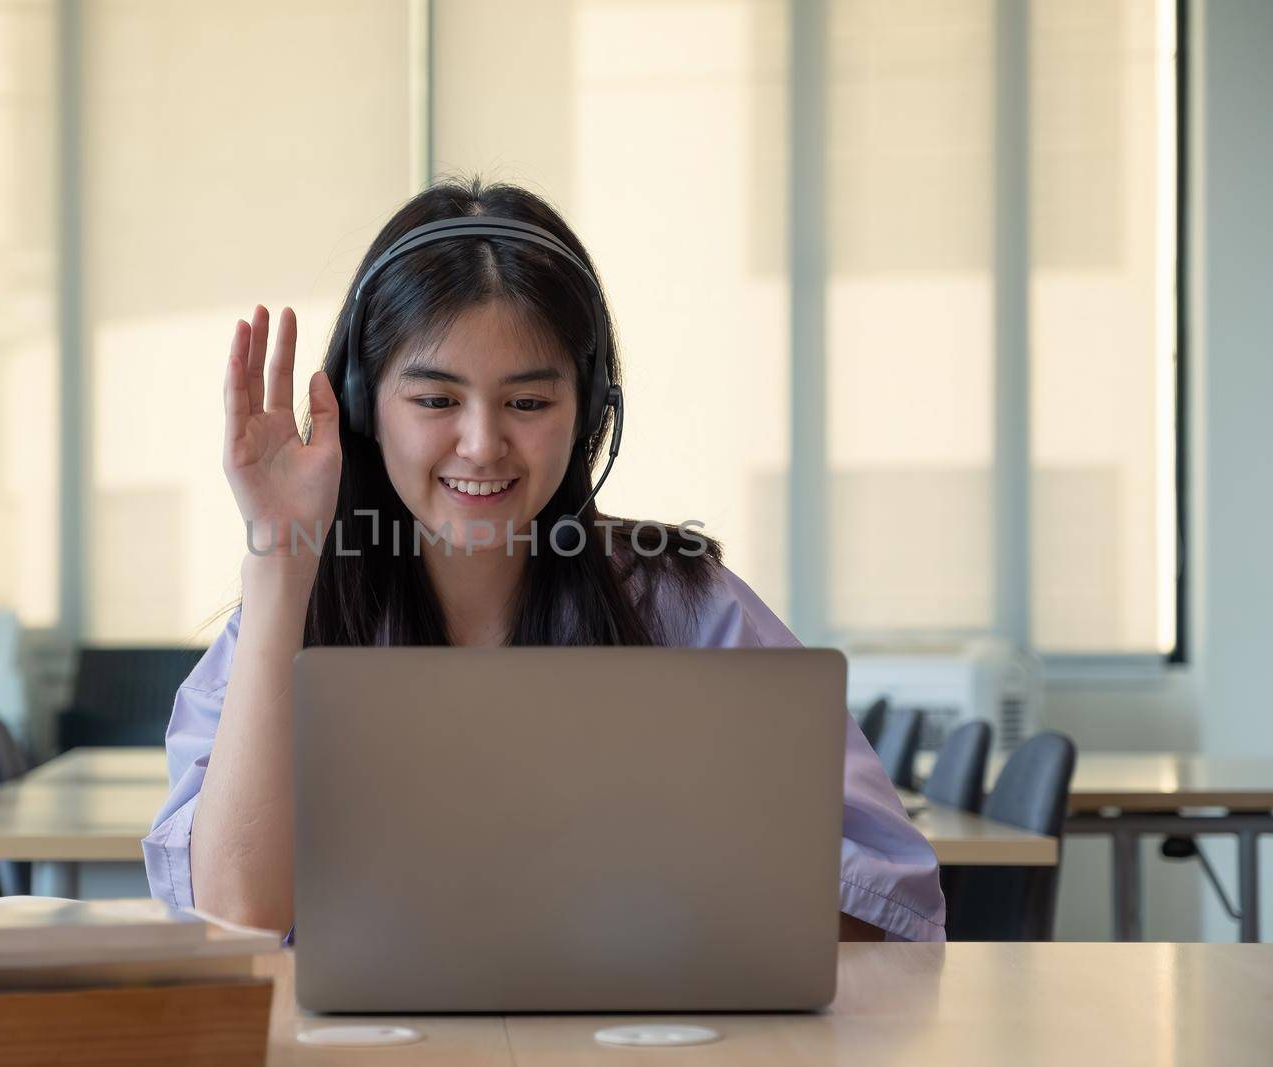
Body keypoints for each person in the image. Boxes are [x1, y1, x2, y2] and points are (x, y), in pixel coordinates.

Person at [144, 177, 945, 942]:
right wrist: (283, 554)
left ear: (590, 410)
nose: (484, 444)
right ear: (362, 409)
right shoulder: (287, 619)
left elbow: (883, 909)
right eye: (435, 400)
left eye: (529, 402)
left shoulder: (688, 607)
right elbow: (234, 919)